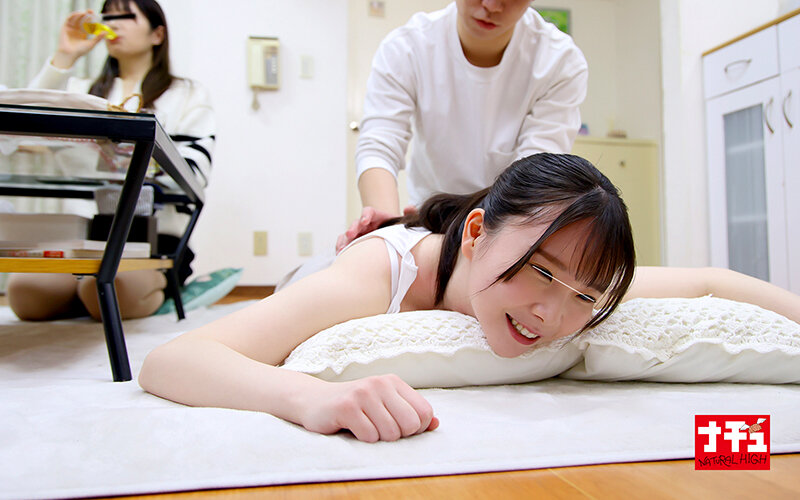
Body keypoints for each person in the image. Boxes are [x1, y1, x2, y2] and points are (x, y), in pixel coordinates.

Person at [139, 153, 800, 443]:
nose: (554, 316)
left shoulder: (576, 284)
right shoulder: (377, 274)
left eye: (585, 294)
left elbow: (714, 281)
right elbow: (174, 360)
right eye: (541, 274)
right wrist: (312, 398)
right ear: (478, 233)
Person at [7, 0, 215, 321]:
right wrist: (66, 55)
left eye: (127, 16)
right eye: (108, 16)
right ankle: (86, 293)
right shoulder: (79, 92)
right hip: (85, 233)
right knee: (25, 295)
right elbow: (16, 131)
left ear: (157, 34)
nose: (113, 24)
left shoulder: (186, 93)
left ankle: (156, 285)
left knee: (108, 290)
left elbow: (194, 173)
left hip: (153, 237)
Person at [337, 0, 589, 251]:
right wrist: (387, 234)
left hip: (503, 225)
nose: (491, 5)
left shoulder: (560, 61)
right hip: (427, 221)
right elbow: (380, 144)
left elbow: (533, 173)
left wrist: (488, 237)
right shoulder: (407, 47)